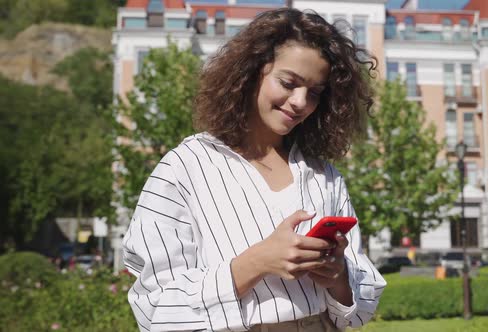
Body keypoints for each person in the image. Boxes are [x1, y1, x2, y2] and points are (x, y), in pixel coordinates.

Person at [122, 8, 386, 332]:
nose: (301, 102)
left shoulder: (325, 177)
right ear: (252, 72)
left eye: (315, 92)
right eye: (289, 83)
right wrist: (257, 261)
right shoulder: (183, 168)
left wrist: (338, 276)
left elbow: (360, 302)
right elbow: (156, 308)